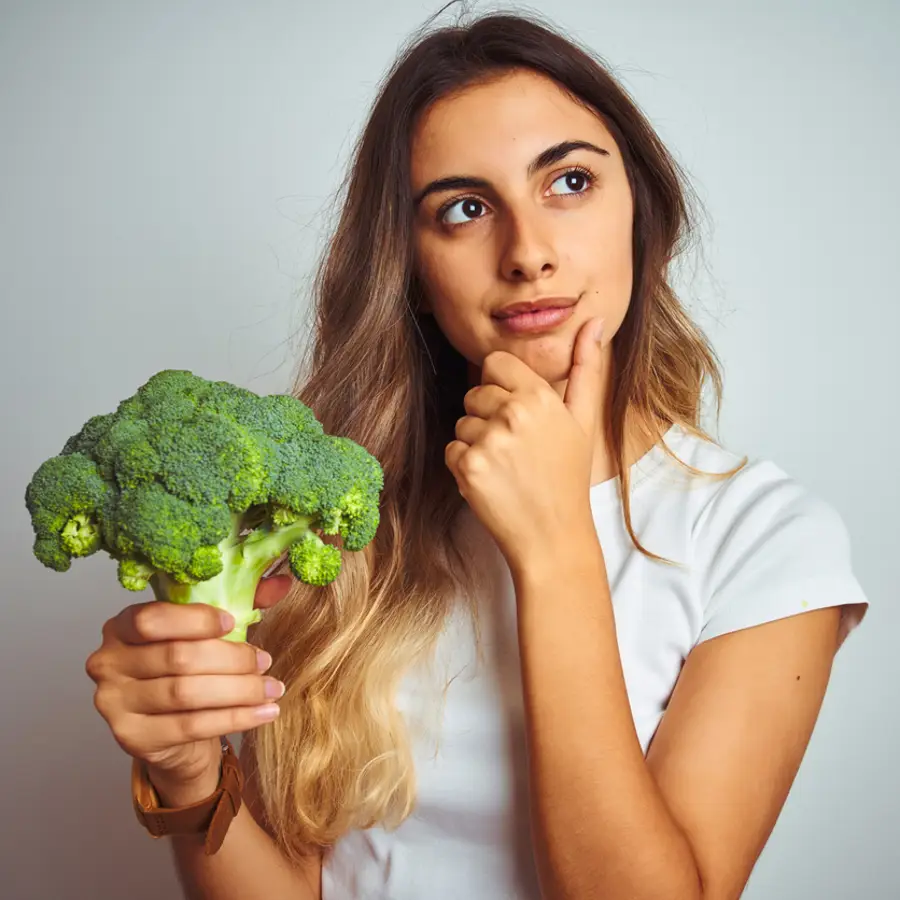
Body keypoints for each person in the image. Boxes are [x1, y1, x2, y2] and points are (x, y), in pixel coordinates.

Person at [84, 9, 870, 900]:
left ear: (642, 213)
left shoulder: (766, 539)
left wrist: (556, 543)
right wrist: (190, 775)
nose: (529, 253)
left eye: (569, 182)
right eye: (463, 209)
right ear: (410, 270)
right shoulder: (331, 521)